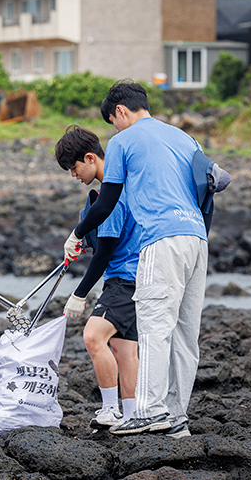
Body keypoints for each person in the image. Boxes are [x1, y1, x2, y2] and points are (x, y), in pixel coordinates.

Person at [63, 81, 210, 439]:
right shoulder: (184, 138)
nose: (113, 129)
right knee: (185, 335)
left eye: (113, 121)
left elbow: (107, 200)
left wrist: (78, 232)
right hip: (197, 237)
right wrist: (197, 233)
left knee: (154, 328)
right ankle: (176, 418)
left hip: (161, 239)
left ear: (120, 112)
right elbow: (206, 190)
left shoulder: (122, 142)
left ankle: (147, 411)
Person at [55, 125, 141, 429]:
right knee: (123, 347)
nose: (73, 175)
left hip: (123, 280)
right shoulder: (124, 186)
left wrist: (79, 294)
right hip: (138, 277)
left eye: (74, 167)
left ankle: (109, 410)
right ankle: (131, 416)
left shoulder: (111, 195)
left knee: (93, 336)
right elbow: (105, 243)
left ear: (91, 158)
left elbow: (104, 253)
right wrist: (83, 240)